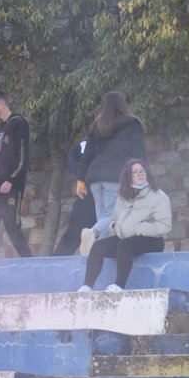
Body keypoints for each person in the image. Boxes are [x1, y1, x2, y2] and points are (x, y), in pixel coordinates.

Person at [78, 159, 171, 292]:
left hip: (152, 240)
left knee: (124, 245)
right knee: (98, 247)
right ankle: (87, 287)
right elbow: (113, 221)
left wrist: (136, 228)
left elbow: (164, 226)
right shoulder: (123, 196)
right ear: (128, 177)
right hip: (126, 237)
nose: (139, 174)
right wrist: (116, 228)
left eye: (142, 171)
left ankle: (119, 286)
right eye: (135, 172)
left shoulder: (159, 196)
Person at [77, 91, 147, 255]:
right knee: (110, 217)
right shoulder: (132, 123)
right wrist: (145, 175)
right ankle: (92, 233)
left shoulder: (97, 125)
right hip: (114, 176)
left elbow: (87, 155)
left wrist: (80, 181)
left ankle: (99, 254)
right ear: (123, 105)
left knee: (103, 217)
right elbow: (139, 152)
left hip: (94, 179)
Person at [0, 90, 33, 259]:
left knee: (12, 227)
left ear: (1, 104)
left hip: (10, 188)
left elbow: (23, 156)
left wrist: (11, 180)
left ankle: (30, 264)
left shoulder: (19, 123)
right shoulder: (0, 128)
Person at [52, 139, 98, 256]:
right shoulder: (86, 143)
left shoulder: (119, 140)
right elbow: (71, 162)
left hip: (110, 196)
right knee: (73, 234)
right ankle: (55, 268)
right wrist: (86, 171)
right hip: (87, 196)